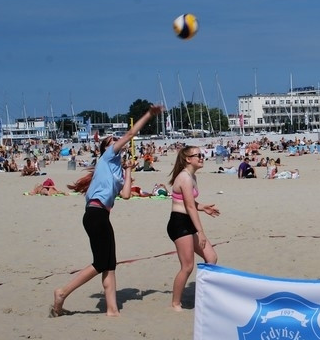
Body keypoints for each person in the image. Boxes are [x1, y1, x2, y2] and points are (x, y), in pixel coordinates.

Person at [51, 103, 164, 318]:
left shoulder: (118, 171)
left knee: (110, 264)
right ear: (106, 148)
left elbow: (127, 195)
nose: (116, 141)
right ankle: (62, 292)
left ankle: (112, 309)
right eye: (112, 140)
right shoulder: (107, 157)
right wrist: (149, 114)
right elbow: (131, 133)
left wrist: (129, 171)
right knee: (101, 262)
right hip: (95, 214)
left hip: (102, 216)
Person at [168, 145, 220, 311]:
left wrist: (203, 207)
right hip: (179, 223)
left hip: (188, 220)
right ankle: (176, 303)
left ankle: (205, 295)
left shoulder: (192, 177)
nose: (202, 157)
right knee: (187, 266)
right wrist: (201, 232)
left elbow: (189, 203)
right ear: (188, 159)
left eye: (202, 154)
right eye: (198, 155)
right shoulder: (185, 178)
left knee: (211, 257)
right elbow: (189, 207)